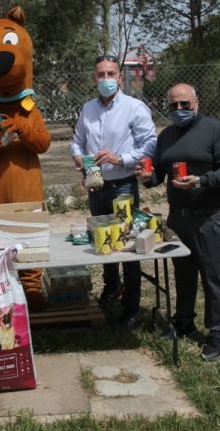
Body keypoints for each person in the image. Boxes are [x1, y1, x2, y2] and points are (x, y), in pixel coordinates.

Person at [135, 82, 220, 362]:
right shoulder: (166, 135)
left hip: (210, 217)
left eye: (185, 104)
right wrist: (147, 178)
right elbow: (158, 174)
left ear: (197, 103)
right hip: (178, 218)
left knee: (213, 278)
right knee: (183, 274)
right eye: (173, 105)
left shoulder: (215, 130)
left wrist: (202, 180)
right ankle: (184, 321)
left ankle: (217, 334)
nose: (179, 110)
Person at [71, 54, 157, 329]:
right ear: (94, 78)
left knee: (128, 245)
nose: (106, 79)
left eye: (111, 74)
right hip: (96, 187)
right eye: (100, 75)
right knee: (103, 241)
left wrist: (120, 158)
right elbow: (77, 142)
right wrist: (78, 158)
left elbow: (150, 144)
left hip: (123, 186)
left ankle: (131, 307)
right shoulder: (87, 109)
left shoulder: (135, 108)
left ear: (120, 77)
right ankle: (112, 288)